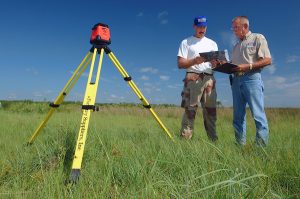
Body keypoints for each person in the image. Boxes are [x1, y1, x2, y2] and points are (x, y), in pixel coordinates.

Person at [230, 16, 272, 146]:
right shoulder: (236, 46)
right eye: (233, 28)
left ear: (245, 27)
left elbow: (267, 60)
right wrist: (222, 64)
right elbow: (234, 65)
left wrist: (248, 66)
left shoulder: (258, 38)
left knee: (258, 116)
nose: (234, 30)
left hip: (252, 78)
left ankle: (261, 150)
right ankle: (239, 147)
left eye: (236, 27)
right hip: (236, 81)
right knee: (238, 118)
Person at [177, 16, 219, 141]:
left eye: (204, 27)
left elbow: (215, 64)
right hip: (192, 77)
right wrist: (194, 60)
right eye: (199, 26)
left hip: (209, 78)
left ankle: (213, 142)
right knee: (190, 111)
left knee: (211, 112)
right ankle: (185, 141)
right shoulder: (186, 42)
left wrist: (217, 64)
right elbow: (180, 64)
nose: (202, 29)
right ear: (194, 27)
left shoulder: (212, 43)